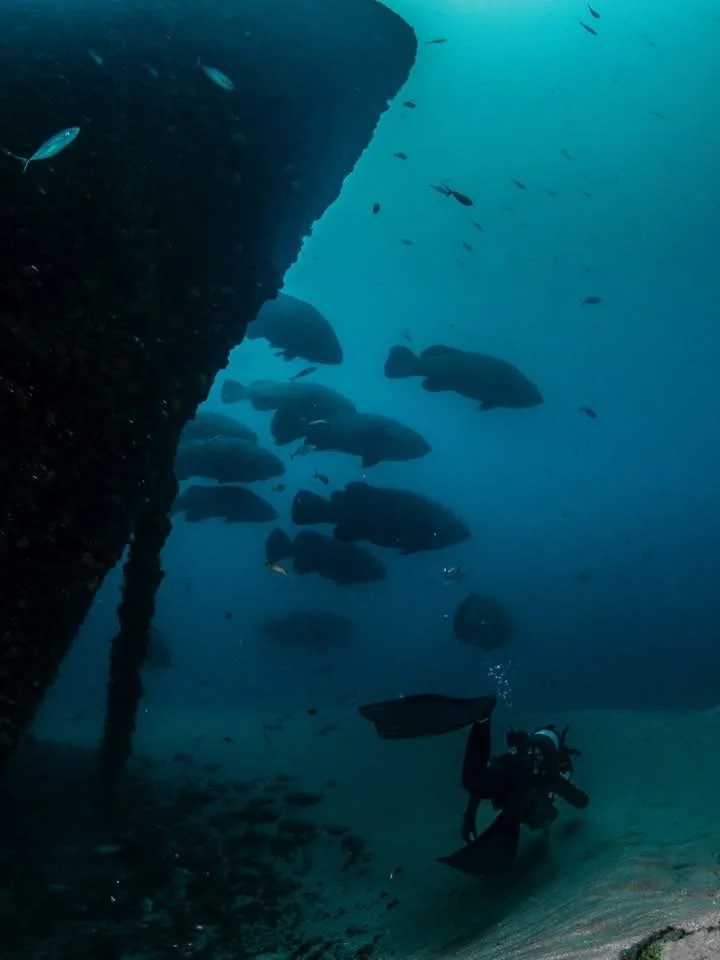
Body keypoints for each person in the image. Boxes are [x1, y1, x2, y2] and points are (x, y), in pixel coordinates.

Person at [358, 692, 590, 877]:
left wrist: (469, 817)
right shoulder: (549, 770)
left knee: (475, 783)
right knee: (523, 810)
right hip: (515, 789)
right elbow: (580, 801)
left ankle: (482, 719)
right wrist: (559, 790)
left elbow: (483, 783)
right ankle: (482, 717)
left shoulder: (521, 757)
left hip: (506, 778)